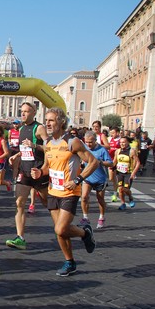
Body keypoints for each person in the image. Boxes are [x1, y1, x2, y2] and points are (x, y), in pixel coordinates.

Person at [31, 108, 98, 276]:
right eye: (46, 120)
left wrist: (77, 179)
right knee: (59, 230)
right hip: (53, 191)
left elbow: (93, 162)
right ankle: (70, 262)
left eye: (51, 120)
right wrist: (40, 172)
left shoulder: (72, 141)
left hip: (70, 192)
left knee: (60, 229)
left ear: (61, 122)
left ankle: (84, 233)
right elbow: (47, 167)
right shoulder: (47, 144)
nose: (47, 123)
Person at [6, 102, 48, 250]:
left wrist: (35, 145)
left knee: (48, 203)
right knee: (19, 203)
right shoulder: (22, 128)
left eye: (26, 111)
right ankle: (20, 238)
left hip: (38, 172)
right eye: (21, 111)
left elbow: (50, 148)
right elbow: (24, 148)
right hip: (25, 171)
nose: (23, 114)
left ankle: (62, 227)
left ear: (34, 112)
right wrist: (16, 155)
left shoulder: (39, 128)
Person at [80, 131, 113, 229]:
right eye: (87, 142)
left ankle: (102, 217)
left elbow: (111, 163)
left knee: (100, 199)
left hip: (100, 179)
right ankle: (85, 217)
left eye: (91, 142)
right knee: (84, 197)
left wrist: (100, 162)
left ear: (95, 140)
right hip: (87, 178)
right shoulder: (84, 148)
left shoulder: (102, 150)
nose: (89, 144)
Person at [114, 137, 140, 210]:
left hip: (128, 173)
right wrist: (111, 167)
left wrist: (134, 173)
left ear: (128, 142)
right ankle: (123, 203)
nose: (122, 144)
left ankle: (130, 197)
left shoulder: (131, 151)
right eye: (121, 142)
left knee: (125, 189)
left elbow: (138, 162)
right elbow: (114, 161)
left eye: (124, 142)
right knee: (120, 189)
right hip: (119, 173)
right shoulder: (117, 151)